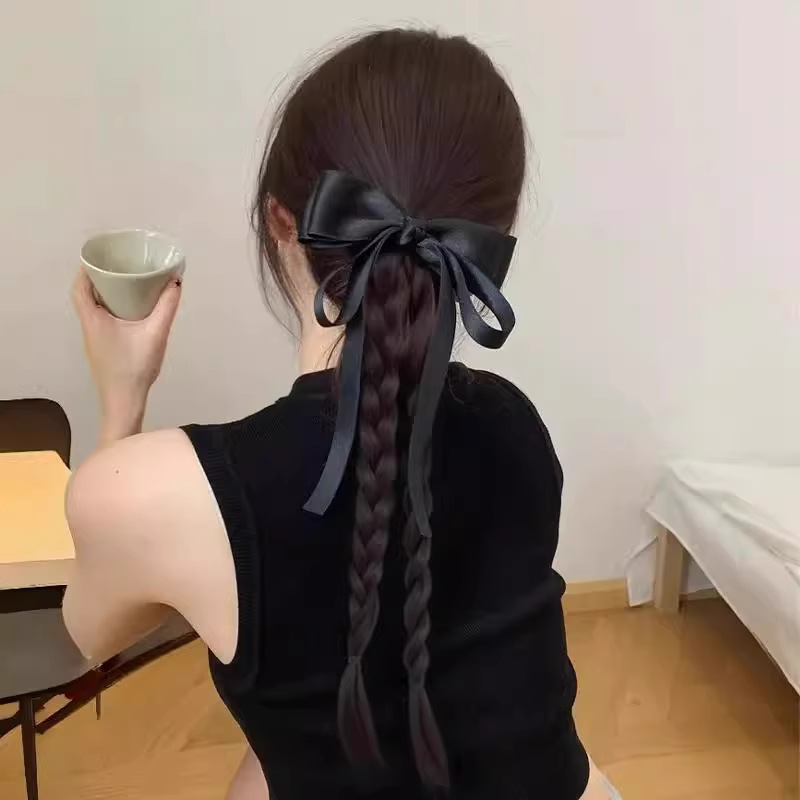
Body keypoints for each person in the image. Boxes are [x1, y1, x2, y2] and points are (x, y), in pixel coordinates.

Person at [64, 28, 621, 800]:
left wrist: (122, 395)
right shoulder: (514, 424)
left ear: (282, 221)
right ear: (490, 241)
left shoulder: (157, 494)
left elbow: (91, 639)